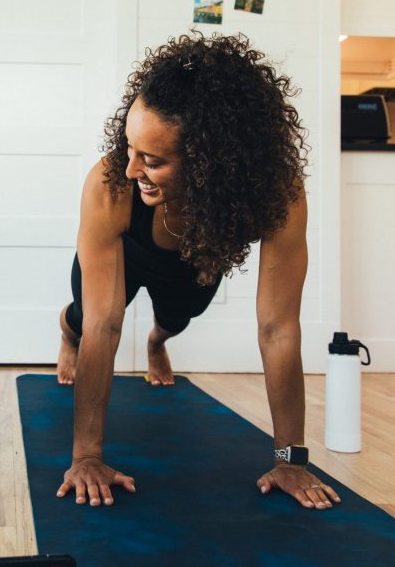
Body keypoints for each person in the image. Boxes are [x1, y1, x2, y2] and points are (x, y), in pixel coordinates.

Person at [54, 32, 341, 511]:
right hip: (124, 249)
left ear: (213, 163)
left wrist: (290, 459)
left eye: (153, 160)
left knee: (177, 317)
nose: (130, 169)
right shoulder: (111, 185)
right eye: (129, 148)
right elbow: (107, 324)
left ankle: (157, 342)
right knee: (88, 319)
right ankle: (65, 330)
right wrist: (87, 457)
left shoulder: (275, 192)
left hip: (193, 258)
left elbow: (278, 329)